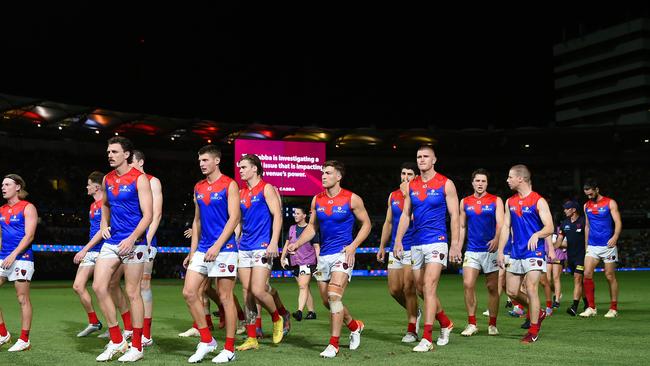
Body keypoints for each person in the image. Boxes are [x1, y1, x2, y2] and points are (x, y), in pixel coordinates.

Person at [287, 160, 371, 358]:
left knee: (334, 296)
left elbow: (366, 224)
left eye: (328, 173)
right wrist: (297, 243)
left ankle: (333, 344)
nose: (323, 176)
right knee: (327, 301)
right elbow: (312, 227)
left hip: (343, 253)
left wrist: (353, 246)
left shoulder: (352, 199)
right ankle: (354, 325)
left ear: (339, 176)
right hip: (324, 256)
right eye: (322, 173)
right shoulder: (317, 199)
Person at [93, 136, 153, 362]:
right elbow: (105, 204)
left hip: (134, 242)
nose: (110, 155)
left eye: (114, 152)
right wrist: (103, 223)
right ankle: (117, 340)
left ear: (127, 155)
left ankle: (137, 346)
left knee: (132, 293)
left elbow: (148, 215)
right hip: (112, 241)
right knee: (99, 286)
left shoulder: (140, 179)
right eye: (108, 151)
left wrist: (133, 238)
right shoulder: (107, 178)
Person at [394, 145, 459, 352]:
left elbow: (455, 216)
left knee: (429, 286)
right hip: (415, 243)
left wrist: (456, 244)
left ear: (434, 160)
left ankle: (427, 338)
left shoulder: (446, 184)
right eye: (419, 157)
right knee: (420, 288)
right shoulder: (411, 185)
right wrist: (398, 240)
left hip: (437, 240)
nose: (421, 160)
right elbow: (405, 215)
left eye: (425, 157)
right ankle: (446, 323)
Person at [497, 165, 554, 344]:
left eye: (510, 177)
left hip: (534, 252)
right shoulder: (510, 202)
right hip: (515, 252)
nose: (507, 180)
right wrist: (500, 251)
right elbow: (506, 227)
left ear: (520, 179)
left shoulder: (539, 201)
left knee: (531, 288)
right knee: (512, 291)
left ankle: (533, 330)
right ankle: (539, 311)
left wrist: (537, 234)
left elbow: (550, 227)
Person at [235, 154, 287, 351]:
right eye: (240, 167)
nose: (240, 170)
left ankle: (277, 317)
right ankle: (251, 338)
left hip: (262, 245)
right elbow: (239, 221)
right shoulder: (240, 193)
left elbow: (278, 216)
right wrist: (235, 239)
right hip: (244, 247)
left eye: (244, 167)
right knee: (247, 292)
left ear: (255, 168)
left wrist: (274, 242)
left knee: (258, 289)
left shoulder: (266, 188)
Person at [377, 162, 420, 343]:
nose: (405, 177)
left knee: (408, 288)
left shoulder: (419, 195)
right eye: (403, 173)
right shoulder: (392, 195)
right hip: (396, 247)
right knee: (395, 290)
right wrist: (382, 246)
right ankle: (415, 312)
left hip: (413, 246)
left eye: (410, 174)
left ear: (416, 177)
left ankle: (412, 330)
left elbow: (413, 218)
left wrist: (406, 194)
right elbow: (388, 222)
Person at [459, 169, 503, 337]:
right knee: (468, 284)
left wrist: (497, 239)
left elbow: (501, 223)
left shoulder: (495, 200)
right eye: (477, 180)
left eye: (483, 181)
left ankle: (492, 324)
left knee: (492, 288)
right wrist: (457, 245)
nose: (480, 184)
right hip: (472, 250)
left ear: (487, 183)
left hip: (491, 250)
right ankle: (472, 323)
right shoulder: (465, 202)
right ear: (472, 182)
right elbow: (462, 227)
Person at [0, 174, 37, 352]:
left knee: (22, 298)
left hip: (22, 258)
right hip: (3, 257)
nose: (3, 187)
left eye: (7, 184)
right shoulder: (1, 209)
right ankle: (3, 333)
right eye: (2, 185)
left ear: (17, 187)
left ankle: (24, 339)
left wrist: (14, 254)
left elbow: (29, 236)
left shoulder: (28, 207)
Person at [130, 150, 163, 346]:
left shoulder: (152, 181)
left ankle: (146, 335)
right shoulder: (127, 182)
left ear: (140, 162)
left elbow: (156, 214)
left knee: (143, 286)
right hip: (125, 240)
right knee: (129, 288)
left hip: (145, 241)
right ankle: (131, 329)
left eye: (131, 161)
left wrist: (147, 239)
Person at [580, 179, 622, 318]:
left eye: (591, 193)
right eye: (587, 194)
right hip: (592, 245)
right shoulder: (586, 205)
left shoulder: (610, 202)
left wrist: (615, 237)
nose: (589, 197)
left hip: (608, 246)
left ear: (597, 189)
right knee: (586, 274)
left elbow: (618, 222)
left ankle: (613, 308)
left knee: (609, 276)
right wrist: (586, 244)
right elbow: (587, 225)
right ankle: (591, 307)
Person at [72, 171, 106, 337]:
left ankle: (120, 327)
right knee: (78, 286)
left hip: (104, 251)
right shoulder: (92, 206)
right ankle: (94, 322)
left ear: (96, 186)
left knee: (104, 289)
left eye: (88, 183)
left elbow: (102, 231)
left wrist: (84, 249)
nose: (86, 187)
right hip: (92, 250)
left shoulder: (106, 204)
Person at [280, 207, 318, 322]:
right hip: (295, 262)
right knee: (304, 287)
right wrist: (282, 258)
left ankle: (299, 311)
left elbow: (317, 247)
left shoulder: (311, 229)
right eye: (294, 213)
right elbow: (287, 244)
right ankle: (311, 312)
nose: (295, 215)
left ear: (304, 215)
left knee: (302, 286)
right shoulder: (292, 228)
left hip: (307, 262)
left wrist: (319, 263)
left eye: (297, 213)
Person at [554, 200, 588, 316]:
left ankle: (574, 307)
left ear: (574, 210)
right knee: (580, 282)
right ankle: (588, 303)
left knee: (577, 279)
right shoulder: (564, 223)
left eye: (567, 208)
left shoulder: (583, 221)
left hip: (582, 256)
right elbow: (559, 242)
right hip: (571, 257)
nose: (564, 210)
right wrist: (550, 248)